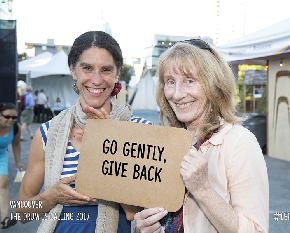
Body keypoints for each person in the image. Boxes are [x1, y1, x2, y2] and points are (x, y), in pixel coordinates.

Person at [17, 31, 151, 233]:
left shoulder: (140, 130)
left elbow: (138, 211)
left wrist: (109, 142)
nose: (96, 80)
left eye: (106, 70)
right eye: (87, 68)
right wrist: (52, 196)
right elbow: (22, 212)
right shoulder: (48, 133)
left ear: (117, 73)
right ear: (73, 70)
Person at [133, 39, 269, 233]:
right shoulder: (168, 141)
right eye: (171, 82)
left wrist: (203, 189)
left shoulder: (240, 142)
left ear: (214, 85)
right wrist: (142, 228)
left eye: (190, 81)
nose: (178, 94)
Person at [0, 103, 23, 229]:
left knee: (3, 185)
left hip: (1, 156)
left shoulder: (15, 128)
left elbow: (16, 145)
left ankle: (4, 219)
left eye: (14, 117)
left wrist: (18, 162)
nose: (11, 120)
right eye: (7, 116)